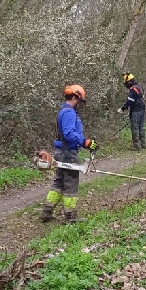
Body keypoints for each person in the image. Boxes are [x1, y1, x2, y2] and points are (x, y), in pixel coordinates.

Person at [40, 84, 98, 223]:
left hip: (61, 152)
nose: (79, 105)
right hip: (67, 154)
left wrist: (84, 142)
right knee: (71, 184)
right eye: (79, 101)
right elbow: (69, 133)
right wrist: (85, 142)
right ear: (74, 97)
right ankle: (70, 217)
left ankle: (46, 212)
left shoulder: (63, 111)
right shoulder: (69, 113)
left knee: (59, 183)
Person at [117, 72, 146, 151]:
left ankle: (136, 146)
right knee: (141, 127)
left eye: (126, 83)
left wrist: (122, 109)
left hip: (136, 110)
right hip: (142, 109)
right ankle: (143, 144)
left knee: (135, 128)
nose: (126, 84)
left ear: (129, 81)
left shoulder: (133, 89)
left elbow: (129, 101)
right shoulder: (138, 86)